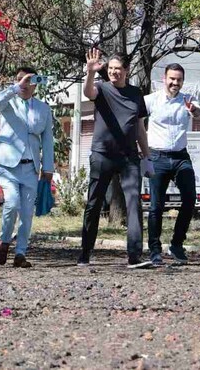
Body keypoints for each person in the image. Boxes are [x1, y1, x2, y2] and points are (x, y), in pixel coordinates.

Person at [78, 49, 153, 268]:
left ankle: (134, 255)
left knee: (133, 201)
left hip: (129, 158)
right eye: (110, 69)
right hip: (102, 155)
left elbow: (139, 128)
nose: (113, 73)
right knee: (94, 203)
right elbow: (88, 93)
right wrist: (90, 73)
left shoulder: (136, 94)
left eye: (118, 69)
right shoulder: (101, 88)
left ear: (127, 71)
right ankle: (85, 252)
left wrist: (146, 157)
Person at [0, 66, 54, 268]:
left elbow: (48, 140)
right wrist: (15, 88)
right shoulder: (9, 103)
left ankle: (20, 253)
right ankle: (5, 241)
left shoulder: (43, 109)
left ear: (36, 84)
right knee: (12, 204)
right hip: (8, 165)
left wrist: (48, 168)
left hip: (30, 168)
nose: (25, 84)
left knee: (27, 213)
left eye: (29, 81)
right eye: (20, 80)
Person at [144, 63, 200, 266]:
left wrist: (193, 109)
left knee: (190, 199)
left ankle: (177, 244)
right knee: (156, 207)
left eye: (178, 80)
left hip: (180, 157)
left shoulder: (187, 100)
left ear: (182, 82)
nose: (174, 83)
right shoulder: (151, 100)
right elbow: (134, 117)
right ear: (164, 79)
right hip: (157, 156)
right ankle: (154, 249)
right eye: (172, 79)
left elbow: (198, 112)